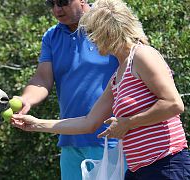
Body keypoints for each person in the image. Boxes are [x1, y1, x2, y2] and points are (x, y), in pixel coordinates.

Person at [12, 0, 190, 179]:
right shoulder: (117, 77)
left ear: (108, 31)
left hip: (167, 164)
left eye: (92, 32)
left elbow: (174, 104)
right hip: (139, 170)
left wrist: (128, 123)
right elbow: (89, 122)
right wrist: (35, 124)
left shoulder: (142, 55)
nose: (91, 40)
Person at [13, 0, 118, 179]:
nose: (57, 9)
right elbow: (42, 78)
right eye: (51, 3)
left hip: (110, 140)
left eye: (62, 2)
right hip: (70, 140)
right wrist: (26, 100)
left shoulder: (108, 25)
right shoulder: (51, 36)